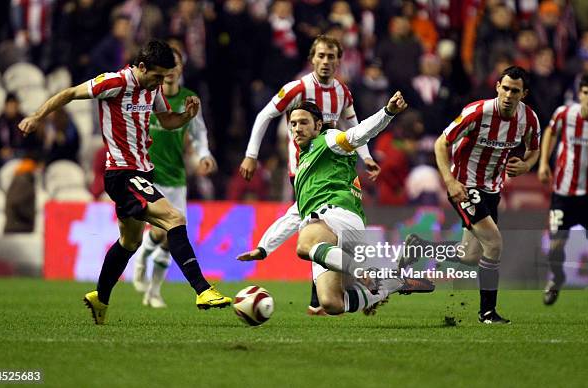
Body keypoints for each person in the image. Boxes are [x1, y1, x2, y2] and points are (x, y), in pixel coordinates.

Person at [19, 39, 231, 325]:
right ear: (141, 67)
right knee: (175, 218)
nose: (160, 82)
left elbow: (166, 120)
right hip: (122, 173)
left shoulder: (151, 87)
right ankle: (203, 290)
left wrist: (185, 116)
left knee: (129, 242)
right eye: (156, 76)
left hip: (142, 172)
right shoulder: (114, 82)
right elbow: (69, 93)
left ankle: (100, 297)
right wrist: (36, 116)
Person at [239, 94, 431, 316]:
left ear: (318, 125)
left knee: (304, 245)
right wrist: (263, 248)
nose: (297, 128)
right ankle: (390, 283)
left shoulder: (328, 139)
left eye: (303, 122)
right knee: (332, 303)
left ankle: (363, 270)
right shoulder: (304, 166)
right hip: (331, 231)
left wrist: (387, 113)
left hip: (337, 216)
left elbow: (358, 134)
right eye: (293, 124)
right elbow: (295, 214)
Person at [239, 34, 381, 315]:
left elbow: (353, 127)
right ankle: (327, 297)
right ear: (311, 59)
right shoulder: (297, 88)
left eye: (331, 56)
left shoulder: (342, 92)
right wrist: (251, 155)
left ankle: (331, 294)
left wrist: (367, 157)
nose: (326, 61)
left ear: (339, 60)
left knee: (310, 224)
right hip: (302, 167)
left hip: (330, 163)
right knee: (308, 220)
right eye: (321, 56)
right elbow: (264, 115)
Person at [406, 66, 540, 324]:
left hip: (492, 189)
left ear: (524, 94)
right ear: (497, 87)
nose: (509, 95)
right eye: (506, 88)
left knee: (470, 256)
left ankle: (420, 247)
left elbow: (534, 149)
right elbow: (441, 143)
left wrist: (527, 165)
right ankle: (487, 313)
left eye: (515, 91)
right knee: (495, 243)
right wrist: (450, 181)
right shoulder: (478, 112)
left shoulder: (528, 119)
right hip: (465, 185)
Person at [132, 46, 218, 309]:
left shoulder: (189, 98)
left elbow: (198, 130)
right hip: (148, 174)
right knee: (161, 232)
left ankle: (154, 292)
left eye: (175, 65)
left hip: (176, 178)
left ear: (180, 69)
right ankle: (142, 257)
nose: (170, 71)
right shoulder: (148, 95)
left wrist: (204, 154)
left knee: (171, 239)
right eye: (166, 67)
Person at [538, 74, 588, 305]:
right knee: (556, 245)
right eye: (587, 93)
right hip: (563, 193)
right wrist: (543, 163)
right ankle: (557, 278)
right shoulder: (565, 113)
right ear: (580, 93)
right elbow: (550, 131)